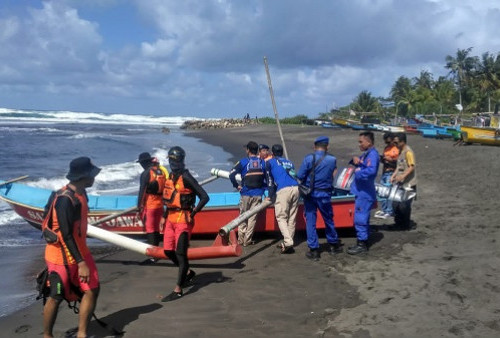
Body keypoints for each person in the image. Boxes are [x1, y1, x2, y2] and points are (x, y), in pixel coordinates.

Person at [43, 157, 101, 338]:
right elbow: (66, 234)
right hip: (61, 255)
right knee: (56, 295)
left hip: (80, 250)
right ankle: (47, 335)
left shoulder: (82, 193)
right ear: (83, 176)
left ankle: (82, 334)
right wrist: (81, 263)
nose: (94, 178)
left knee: (92, 289)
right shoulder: (64, 200)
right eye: (91, 175)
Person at [160, 146, 209, 302]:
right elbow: (169, 199)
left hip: (183, 219)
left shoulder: (186, 177)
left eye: (176, 160)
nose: (173, 163)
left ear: (181, 161)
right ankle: (187, 273)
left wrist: (193, 213)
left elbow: (204, 197)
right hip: (170, 219)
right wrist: (164, 216)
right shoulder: (170, 176)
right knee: (168, 251)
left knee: (181, 253)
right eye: (171, 160)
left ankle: (178, 289)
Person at [296, 136, 342, 261]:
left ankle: (314, 249)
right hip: (325, 194)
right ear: (327, 146)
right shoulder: (332, 160)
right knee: (328, 219)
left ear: (314, 146)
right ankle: (333, 245)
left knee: (311, 220)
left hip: (310, 195)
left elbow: (300, 176)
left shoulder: (309, 158)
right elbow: (333, 174)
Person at [347, 131, 380, 255]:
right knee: (363, 218)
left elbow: (370, 172)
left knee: (360, 218)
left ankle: (362, 244)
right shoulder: (367, 155)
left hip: (364, 193)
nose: (359, 144)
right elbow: (364, 165)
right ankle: (362, 240)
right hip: (362, 191)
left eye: (361, 142)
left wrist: (358, 172)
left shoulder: (372, 155)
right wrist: (358, 161)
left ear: (369, 142)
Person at [229, 141, 266, 246]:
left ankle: (240, 239)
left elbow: (231, 175)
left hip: (245, 193)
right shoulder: (263, 162)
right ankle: (247, 240)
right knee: (252, 218)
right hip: (258, 194)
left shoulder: (243, 162)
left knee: (243, 216)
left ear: (248, 150)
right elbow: (267, 178)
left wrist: (236, 186)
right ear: (257, 151)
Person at [265, 144, 300, 254]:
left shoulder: (270, 162)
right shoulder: (289, 162)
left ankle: (288, 242)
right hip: (296, 188)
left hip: (283, 190)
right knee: (292, 217)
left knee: (281, 217)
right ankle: (288, 241)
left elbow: (270, 181)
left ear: (272, 153)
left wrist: (270, 195)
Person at [137, 152, 168, 253]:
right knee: (157, 228)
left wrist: (139, 207)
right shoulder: (160, 171)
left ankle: (153, 253)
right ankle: (157, 249)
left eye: (141, 163)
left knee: (150, 228)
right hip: (160, 204)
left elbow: (142, 191)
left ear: (143, 163)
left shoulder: (146, 173)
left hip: (150, 204)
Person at [390, 133, 417, 230]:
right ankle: (398, 223)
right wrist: (393, 175)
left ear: (402, 142)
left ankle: (405, 225)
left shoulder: (408, 152)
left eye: (396, 142)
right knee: (395, 204)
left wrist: (402, 176)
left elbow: (411, 167)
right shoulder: (400, 151)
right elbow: (399, 166)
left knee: (404, 206)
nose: (395, 145)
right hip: (400, 183)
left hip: (408, 184)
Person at [374, 133, 399, 219]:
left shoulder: (396, 149)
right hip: (385, 172)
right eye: (386, 142)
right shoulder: (386, 148)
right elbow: (384, 161)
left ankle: (389, 211)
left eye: (389, 142)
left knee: (388, 192)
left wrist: (390, 159)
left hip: (391, 172)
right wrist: (382, 159)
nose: (388, 144)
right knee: (382, 192)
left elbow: (399, 163)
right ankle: (384, 209)